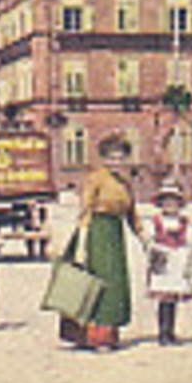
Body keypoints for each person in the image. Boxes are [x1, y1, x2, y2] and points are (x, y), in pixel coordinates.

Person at [63, 132, 141, 350]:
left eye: (120, 157)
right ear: (103, 158)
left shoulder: (125, 184)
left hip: (116, 235)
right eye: (111, 157)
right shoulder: (96, 178)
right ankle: (94, 337)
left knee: (116, 285)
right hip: (97, 232)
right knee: (99, 282)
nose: (116, 162)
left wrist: (144, 239)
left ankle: (111, 334)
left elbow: (131, 214)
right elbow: (86, 209)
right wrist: (82, 243)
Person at [145, 181, 192, 345]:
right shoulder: (157, 221)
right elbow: (150, 240)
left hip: (177, 260)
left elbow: (189, 242)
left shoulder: (183, 222)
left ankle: (171, 330)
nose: (170, 205)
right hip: (163, 260)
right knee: (163, 298)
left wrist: (188, 262)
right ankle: (162, 332)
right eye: (166, 202)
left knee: (173, 298)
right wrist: (154, 253)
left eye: (173, 201)